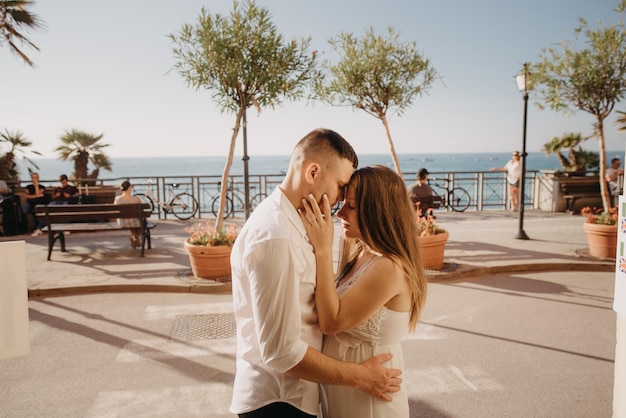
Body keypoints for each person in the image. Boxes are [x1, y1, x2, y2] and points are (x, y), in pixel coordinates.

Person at [229, 128, 402, 417]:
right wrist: (361, 376)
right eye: (340, 185)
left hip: (291, 398)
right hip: (279, 401)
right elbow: (281, 352)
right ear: (313, 172)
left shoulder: (292, 224)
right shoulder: (277, 237)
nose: (339, 199)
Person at [299, 165, 428, 418]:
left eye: (352, 206)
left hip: (370, 401)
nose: (340, 213)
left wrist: (323, 249)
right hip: (348, 391)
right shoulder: (361, 254)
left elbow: (331, 321)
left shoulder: (388, 268)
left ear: (378, 210)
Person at [113, 180, 142, 248]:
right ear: (129, 188)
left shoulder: (117, 199)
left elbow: (114, 211)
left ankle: (134, 239)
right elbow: (142, 212)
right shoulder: (136, 199)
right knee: (142, 223)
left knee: (130, 221)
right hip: (135, 222)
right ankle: (135, 238)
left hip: (122, 222)